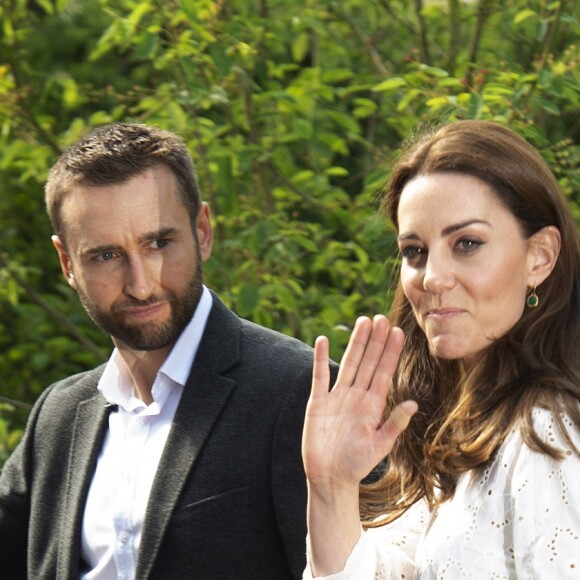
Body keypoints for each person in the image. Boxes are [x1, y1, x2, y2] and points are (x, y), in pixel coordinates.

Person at [0, 122, 334, 579]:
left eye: (159, 243)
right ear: (67, 264)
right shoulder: (57, 414)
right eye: (106, 256)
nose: (141, 284)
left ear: (203, 230)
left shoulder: (303, 392)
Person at [301, 120, 580, 578]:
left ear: (541, 256)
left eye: (466, 244)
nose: (432, 277)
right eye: (415, 251)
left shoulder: (548, 433)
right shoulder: (463, 428)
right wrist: (330, 485)